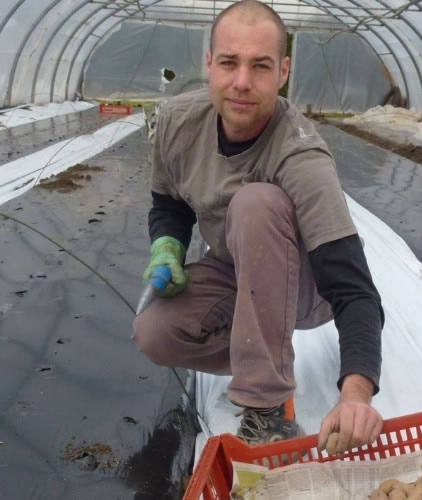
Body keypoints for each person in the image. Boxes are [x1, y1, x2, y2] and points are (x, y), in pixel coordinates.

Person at [133, 0, 384, 453]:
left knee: (256, 203)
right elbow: (169, 202)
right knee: (154, 332)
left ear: (283, 71)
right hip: (234, 266)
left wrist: (355, 394)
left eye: (261, 66)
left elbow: (354, 290)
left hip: (306, 286)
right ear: (208, 63)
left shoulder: (300, 155)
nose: (242, 82)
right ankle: (264, 356)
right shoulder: (176, 123)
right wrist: (167, 246)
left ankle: (269, 409)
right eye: (229, 62)